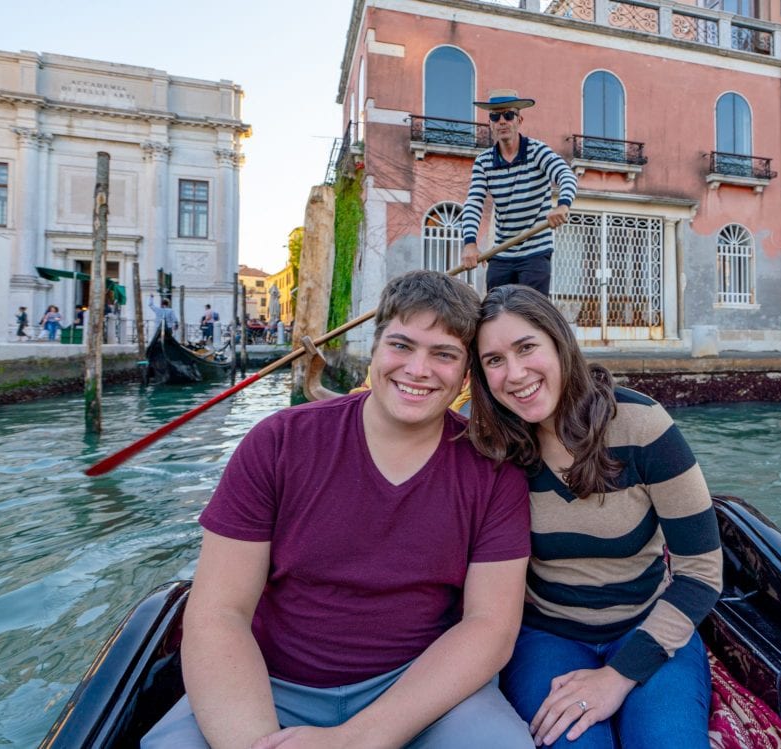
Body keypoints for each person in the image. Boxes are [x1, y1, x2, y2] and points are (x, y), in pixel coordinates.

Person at [141, 270, 534, 749]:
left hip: (422, 692)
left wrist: (358, 739)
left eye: (444, 355)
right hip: (268, 683)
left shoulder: (492, 471)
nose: (418, 369)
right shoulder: (279, 442)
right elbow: (220, 611)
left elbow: (488, 626)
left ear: (466, 374)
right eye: (402, 346)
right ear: (374, 350)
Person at [468, 285, 723, 749]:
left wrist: (617, 678)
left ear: (559, 343)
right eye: (494, 360)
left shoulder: (643, 426)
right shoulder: (493, 450)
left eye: (527, 348)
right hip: (546, 636)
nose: (516, 373)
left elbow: (702, 572)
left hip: (648, 625)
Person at [460, 89, 578, 296]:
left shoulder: (537, 151)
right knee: (494, 311)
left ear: (519, 120)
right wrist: (470, 243)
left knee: (531, 314)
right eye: (495, 117)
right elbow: (474, 202)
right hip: (501, 251)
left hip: (536, 250)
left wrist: (563, 204)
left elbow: (566, 175)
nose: (502, 121)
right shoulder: (483, 161)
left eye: (508, 115)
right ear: (491, 124)